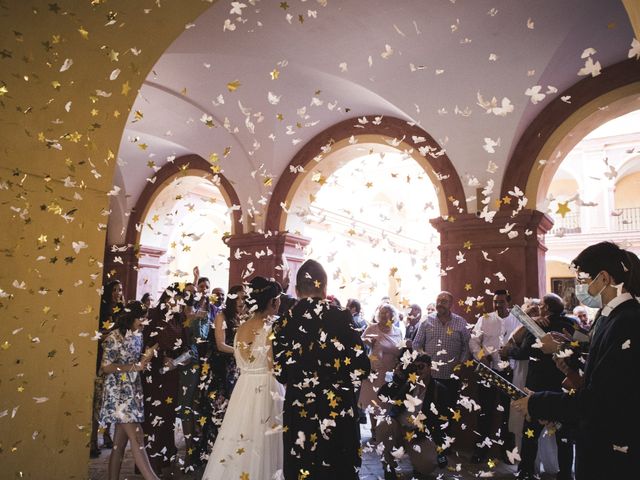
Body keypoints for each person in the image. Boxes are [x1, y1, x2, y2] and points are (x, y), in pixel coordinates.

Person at [512, 242, 640, 480]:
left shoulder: (627, 321)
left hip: (612, 454)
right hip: (599, 443)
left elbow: (602, 401)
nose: (579, 287)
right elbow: (602, 379)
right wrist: (575, 373)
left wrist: (538, 402)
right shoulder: (611, 317)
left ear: (603, 278)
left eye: (582, 279)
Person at [272, 259, 371, 480]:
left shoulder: (283, 323)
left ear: (297, 290)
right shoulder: (343, 317)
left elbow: (280, 372)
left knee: (302, 467)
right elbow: (362, 366)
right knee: (338, 468)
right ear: (325, 289)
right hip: (338, 409)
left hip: (300, 408)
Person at [202, 276, 285, 479]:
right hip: (266, 388)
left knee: (239, 436)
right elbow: (272, 365)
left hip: (243, 387)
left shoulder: (241, 328)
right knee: (262, 442)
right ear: (272, 302)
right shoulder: (270, 328)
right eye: (279, 299)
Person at [504, 293, 576, 480]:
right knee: (563, 436)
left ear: (546, 308)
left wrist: (508, 350)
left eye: (541, 305)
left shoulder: (537, 327)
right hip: (563, 387)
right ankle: (566, 474)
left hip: (539, 388)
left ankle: (526, 471)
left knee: (531, 433)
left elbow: (523, 352)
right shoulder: (570, 324)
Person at [99, 301, 159, 480]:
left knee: (119, 443)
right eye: (141, 318)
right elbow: (106, 367)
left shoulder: (138, 335)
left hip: (132, 390)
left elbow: (137, 363)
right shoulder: (114, 337)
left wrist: (146, 357)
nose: (144, 322)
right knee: (138, 437)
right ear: (130, 318)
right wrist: (136, 366)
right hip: (118, 392)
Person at [412, 291, 470, 458]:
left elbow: (467, 346)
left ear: (451, 304)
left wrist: (461, 363)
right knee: (427, 411)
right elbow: (416, 344)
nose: (440, 303)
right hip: (430, 377)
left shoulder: (460, 323)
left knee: (448, 411)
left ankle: (444, 446)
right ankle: (426, 445)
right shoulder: (426, 321)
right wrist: (424, 360)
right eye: (438, 300)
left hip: (451, 377)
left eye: (444, 301)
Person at [376, 354, 449, 479]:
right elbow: (381, 395)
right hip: (398, 427)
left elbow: (442, 422)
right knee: (384, 426)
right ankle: (389, 466)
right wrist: (397, 379)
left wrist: (438, 446)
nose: (418, 370)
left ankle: (417, 463)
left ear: (430, 367)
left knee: (428, 465)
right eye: (415, 367)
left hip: (419, 433)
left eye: (421, 366)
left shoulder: (439, 390)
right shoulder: (406, 384)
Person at [142, 283, 189, 475]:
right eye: (173, 297)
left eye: (179, 299)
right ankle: (151, 463)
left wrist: (176, 361)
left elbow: (187, 348)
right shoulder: (154, 315)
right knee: (154, 416)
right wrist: (161, 358)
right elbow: (145, 344)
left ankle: (166, 460)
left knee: (168, 417)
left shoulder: (180, 319)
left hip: (172, 372)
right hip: (153, 372)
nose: (176, 302)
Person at [468, 289, 519, 463]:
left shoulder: (517, 319)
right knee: (485, 411)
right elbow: (473, 340)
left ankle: (507, 450)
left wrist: (511, 353)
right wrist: (482, 356)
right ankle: (480, 449)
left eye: (501, 302)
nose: (497, 305)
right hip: (488, 372)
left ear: (508, 302)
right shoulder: (485, 319)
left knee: (507, 413)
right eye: (495, 301)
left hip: (509, 373)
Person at [199, 284, 245, 458]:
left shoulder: (247, 317)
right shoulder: (222, 315)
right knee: (219, 411)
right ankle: (213, 455)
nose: (241, 302)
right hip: (222, 369)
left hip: (239, 369)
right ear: (231, 298)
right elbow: (220, 344)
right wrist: (241, 351)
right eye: (238, 298)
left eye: (244, 298)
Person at [178, 276, 213, 470]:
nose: (191, 294)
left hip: (190, 364)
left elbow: (201, 336)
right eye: (188, 291)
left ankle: (191, 451)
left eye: (195, 290)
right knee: (181, 408)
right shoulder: (177, 312)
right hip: (173, 365)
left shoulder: (202, 314)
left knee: (189, 408)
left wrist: (197, 316)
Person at [90, 279, 124, 458]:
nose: (118, 293)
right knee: (98, 401)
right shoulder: (101, 311)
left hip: (118, 361)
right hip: (102, 360)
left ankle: (107, 434)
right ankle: (93, 440)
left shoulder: (122, 313)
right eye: (115, 289)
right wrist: (108, 334)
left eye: (120, 290)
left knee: (112, 400)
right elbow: (94, 335)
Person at [359, 303, 403, 438]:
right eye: (382, 313)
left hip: (391, 371)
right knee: (373, 400)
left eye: (387, 313)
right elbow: (360, 341)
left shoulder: (397, 331)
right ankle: (373, 430)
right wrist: (368, 342)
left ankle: (384, 429)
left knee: (387, 402)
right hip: (375, 370)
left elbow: (400, 349)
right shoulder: (372, 328)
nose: (384, 315)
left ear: (393, 315)